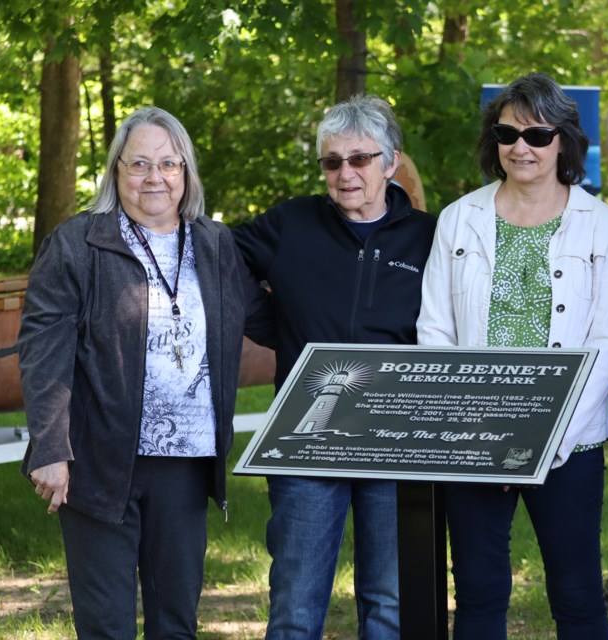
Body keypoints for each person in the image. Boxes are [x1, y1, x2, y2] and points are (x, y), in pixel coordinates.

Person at [18, 106, 271, 638]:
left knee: (176, 622)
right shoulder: (79, 244)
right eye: (138, 164)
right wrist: (49, 447)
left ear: (186, 173)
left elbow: (266, 317)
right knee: (106, 624)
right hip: (98, 460)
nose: (154, 177)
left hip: (186, 462)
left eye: (168, 164)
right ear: (116, 172)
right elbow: (44, 350)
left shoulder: (215, 244)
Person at [416, 72, 608, 639]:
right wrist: (485, 435)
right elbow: (435, 330)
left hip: (571, 441)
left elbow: (607, 345)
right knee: (480, 592)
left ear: (562, 141)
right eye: (509, 134)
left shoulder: (601, 225)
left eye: (537, 135)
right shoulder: (459, 218)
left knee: (578, 592)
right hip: (475, 437)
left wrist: (542, 441)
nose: (522, 147)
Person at [233, 94, 436, 640]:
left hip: (396, 437)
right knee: (296, 603)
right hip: (307, 435)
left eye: (360, 159)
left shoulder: (430, 237)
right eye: (332, 161)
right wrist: (272, 322)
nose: (346, 173)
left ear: (390, 163)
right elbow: (219, 260)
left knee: (390, 603)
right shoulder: (289, 224)